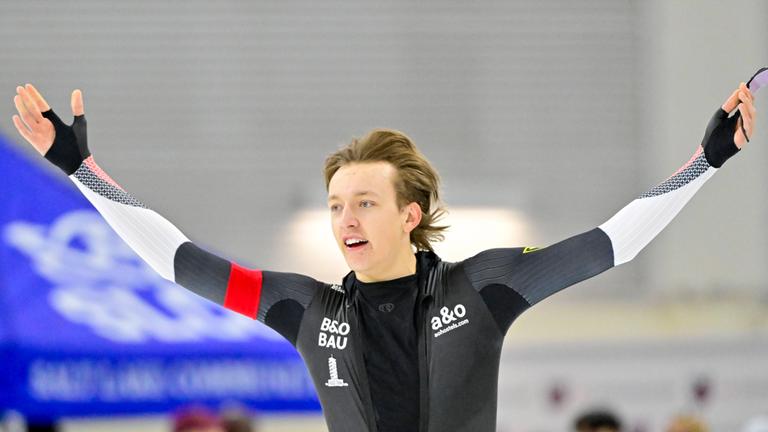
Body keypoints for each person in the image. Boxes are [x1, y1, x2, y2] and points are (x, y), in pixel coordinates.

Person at [9, 67, 765, 432]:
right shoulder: (304, 308)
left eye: (364, 202)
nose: (346, 219)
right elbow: (177, 260)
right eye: (337, 205)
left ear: (411, 214)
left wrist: (707, 160)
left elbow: (611, 245)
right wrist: (83, 172)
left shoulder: (486, 286)